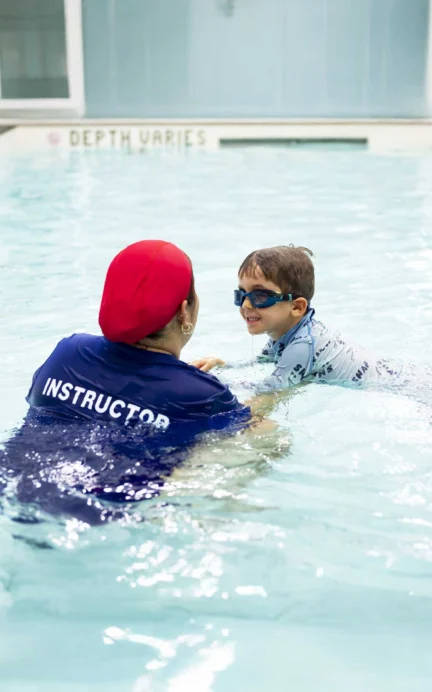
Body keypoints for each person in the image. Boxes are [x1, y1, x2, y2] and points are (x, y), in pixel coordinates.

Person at [1, 240, 250, 523]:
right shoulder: (201, 394)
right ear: (184, 311)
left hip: (11, 487)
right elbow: (260, 442)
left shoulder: (67, 352)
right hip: (101, 516)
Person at [192, 245, 396, 390]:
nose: (246, 305)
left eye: (260, 296)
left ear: (297, 307)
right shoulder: (285, 333)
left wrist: (214, 383)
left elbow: (269, 391)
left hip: (393, 388)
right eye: (241, 294)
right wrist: (224, 366)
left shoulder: (303, 345)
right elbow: (267, 360)